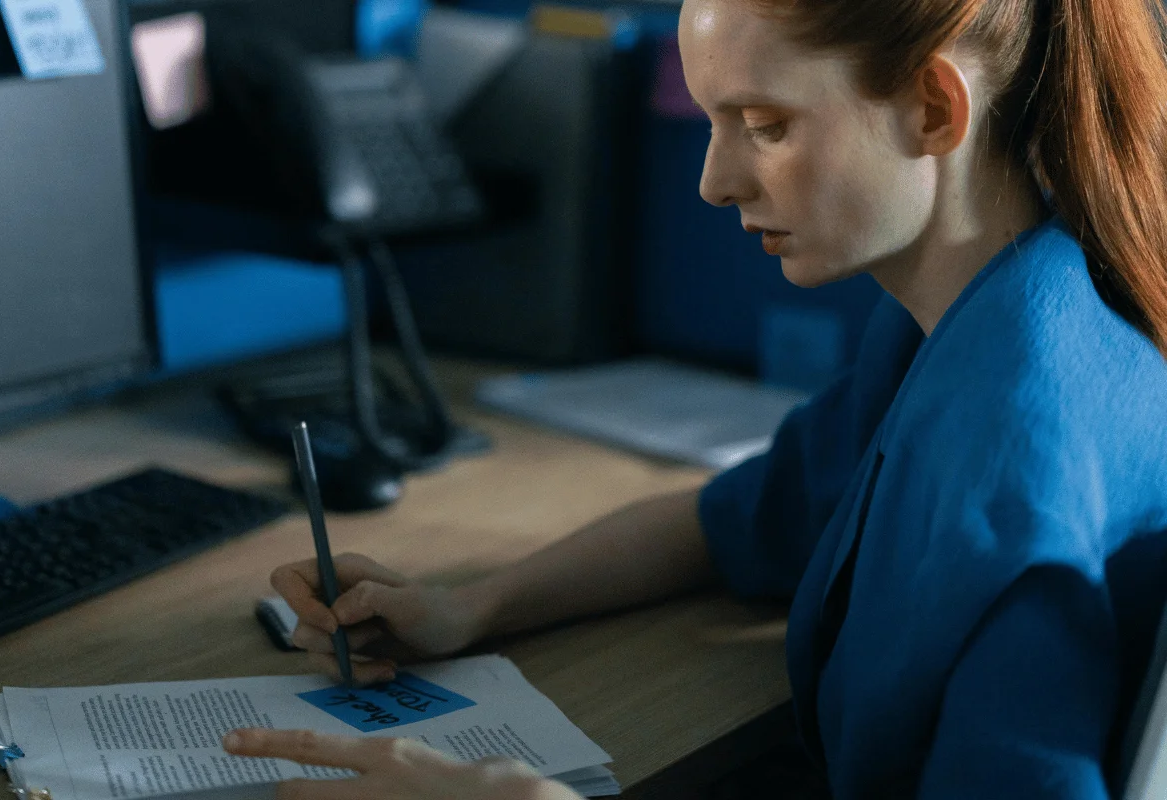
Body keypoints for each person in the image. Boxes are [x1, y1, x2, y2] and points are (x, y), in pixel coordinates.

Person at [220, 0, 1167, 796]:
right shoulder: (994, 305)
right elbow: (740, 519)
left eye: (765, 126)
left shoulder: (1013, 466)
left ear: (931, 107)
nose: (714, 182)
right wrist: (473, 606)